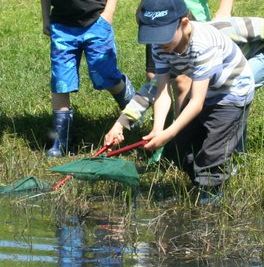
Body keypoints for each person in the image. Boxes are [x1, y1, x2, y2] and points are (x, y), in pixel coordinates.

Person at [106, 0, 255, 204]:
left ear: (184, 23)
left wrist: (169, 132)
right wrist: (159, 128)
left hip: (231, 93)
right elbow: (162, 91)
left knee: (212, 150)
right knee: (182, 146)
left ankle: (209, 199)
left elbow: (196, 103)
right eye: (153, 38)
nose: (159, 44)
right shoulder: (161, 47)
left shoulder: (202, 45)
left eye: (163, 36)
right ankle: (199, 184)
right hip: (206, 91)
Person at [40, 0, 135, 157]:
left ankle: (131, 105)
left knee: (105, 75)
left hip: (97, 21)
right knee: (61, 81)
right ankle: (61, 138)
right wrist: (46, 18)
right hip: (61, 26)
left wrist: (108, 14)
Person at [144, 0, 234, 81]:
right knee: (154, 74)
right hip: (156, 21)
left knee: (186, 80)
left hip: (192, 20)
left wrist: (224, 9)